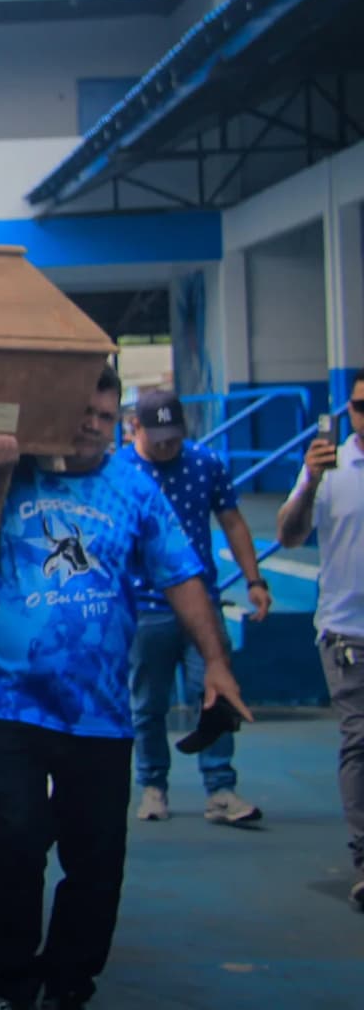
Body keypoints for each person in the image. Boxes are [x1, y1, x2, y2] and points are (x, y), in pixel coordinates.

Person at [0, 368, 250, 1009]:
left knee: (96, 857)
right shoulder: (10, 468)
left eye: (106, 412)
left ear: (121, 418)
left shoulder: (132, 485)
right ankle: (8, 976)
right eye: (81, 408)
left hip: (98, 706)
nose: (93, 422)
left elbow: (181, 575)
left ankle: (68, 983)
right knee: (15, 840)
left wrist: (216, 663)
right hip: (3, 697)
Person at [118, 389, 269, 825]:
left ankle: (220, 788)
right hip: (146, 607)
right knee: (147, 703)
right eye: (158, 437)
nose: (167, 446)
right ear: (135, 429)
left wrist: (254, 579)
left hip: (202, 602)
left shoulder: (205, 463)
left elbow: (233, 522)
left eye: (174, 437)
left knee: (217, 694)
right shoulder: (119, 472)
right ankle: (152, 785)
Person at [276, 372, 364, 912]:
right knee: (359, 739)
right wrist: (308, 481)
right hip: (346, 632)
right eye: (359, 406)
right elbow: (288, 534)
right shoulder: (330, 471)